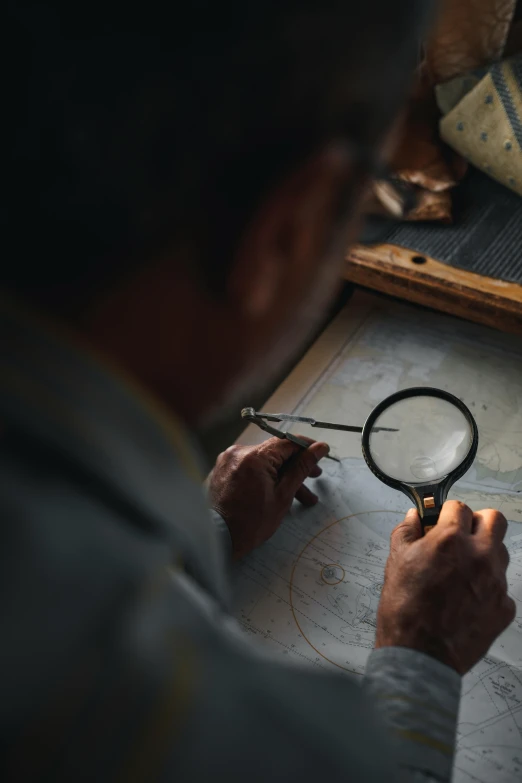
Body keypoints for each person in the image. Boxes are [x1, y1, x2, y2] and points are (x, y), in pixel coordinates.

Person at [0, 2, 515, 781]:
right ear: (287, 233)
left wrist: (204, 537)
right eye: (372, 209)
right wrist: (423, 655)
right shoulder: (158, 710)